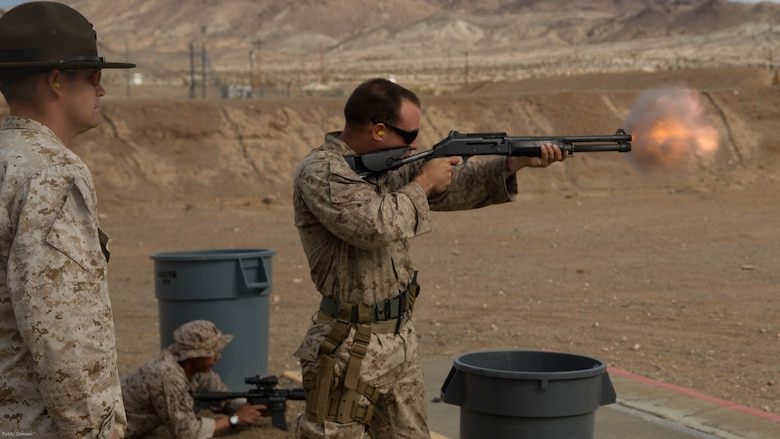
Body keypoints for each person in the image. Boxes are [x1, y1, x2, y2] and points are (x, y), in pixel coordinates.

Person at [291, 77, 567, 439]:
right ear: (378, 131)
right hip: (347, 347)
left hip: (398, 338)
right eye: (409, 136)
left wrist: (512, 164)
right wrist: (423, 182)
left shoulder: (385, 165)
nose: (416, 144)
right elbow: (373, 224)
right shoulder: (324, 171)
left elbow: (450, 191)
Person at [0, 2, 135, 438]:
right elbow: (63, 334)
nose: (102, 90)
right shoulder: (50, 172)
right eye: (94, 76)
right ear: (57, 80)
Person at [121, 319, 267, 438]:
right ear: (194, 355)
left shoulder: (192, 368)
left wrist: (257, 405)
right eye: (213, 352)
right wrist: (233, 419)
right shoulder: (167, 375)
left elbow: (220, 396)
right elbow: (186, 432)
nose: (219, 357)